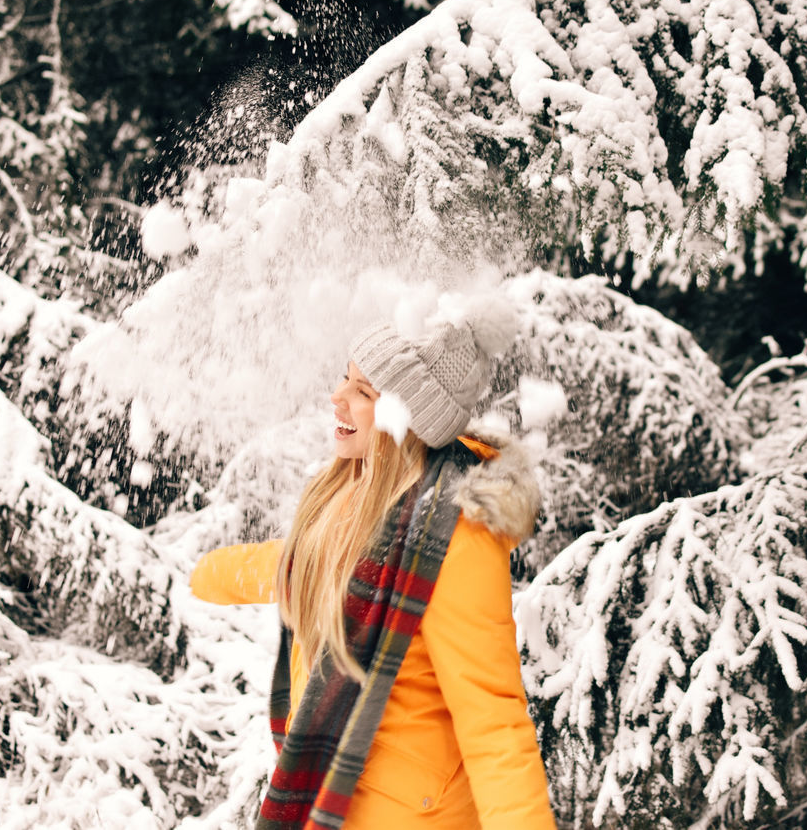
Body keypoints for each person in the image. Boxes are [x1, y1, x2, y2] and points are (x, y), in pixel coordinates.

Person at [190, 309, 557, 830]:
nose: (337, 397)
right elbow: (307, 562)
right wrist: (208, 573)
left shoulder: (454, 537)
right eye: (345, 378)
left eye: (363, 391)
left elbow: (494, 725)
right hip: (337, 805)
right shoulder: (357, 496)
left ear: (403, 419)